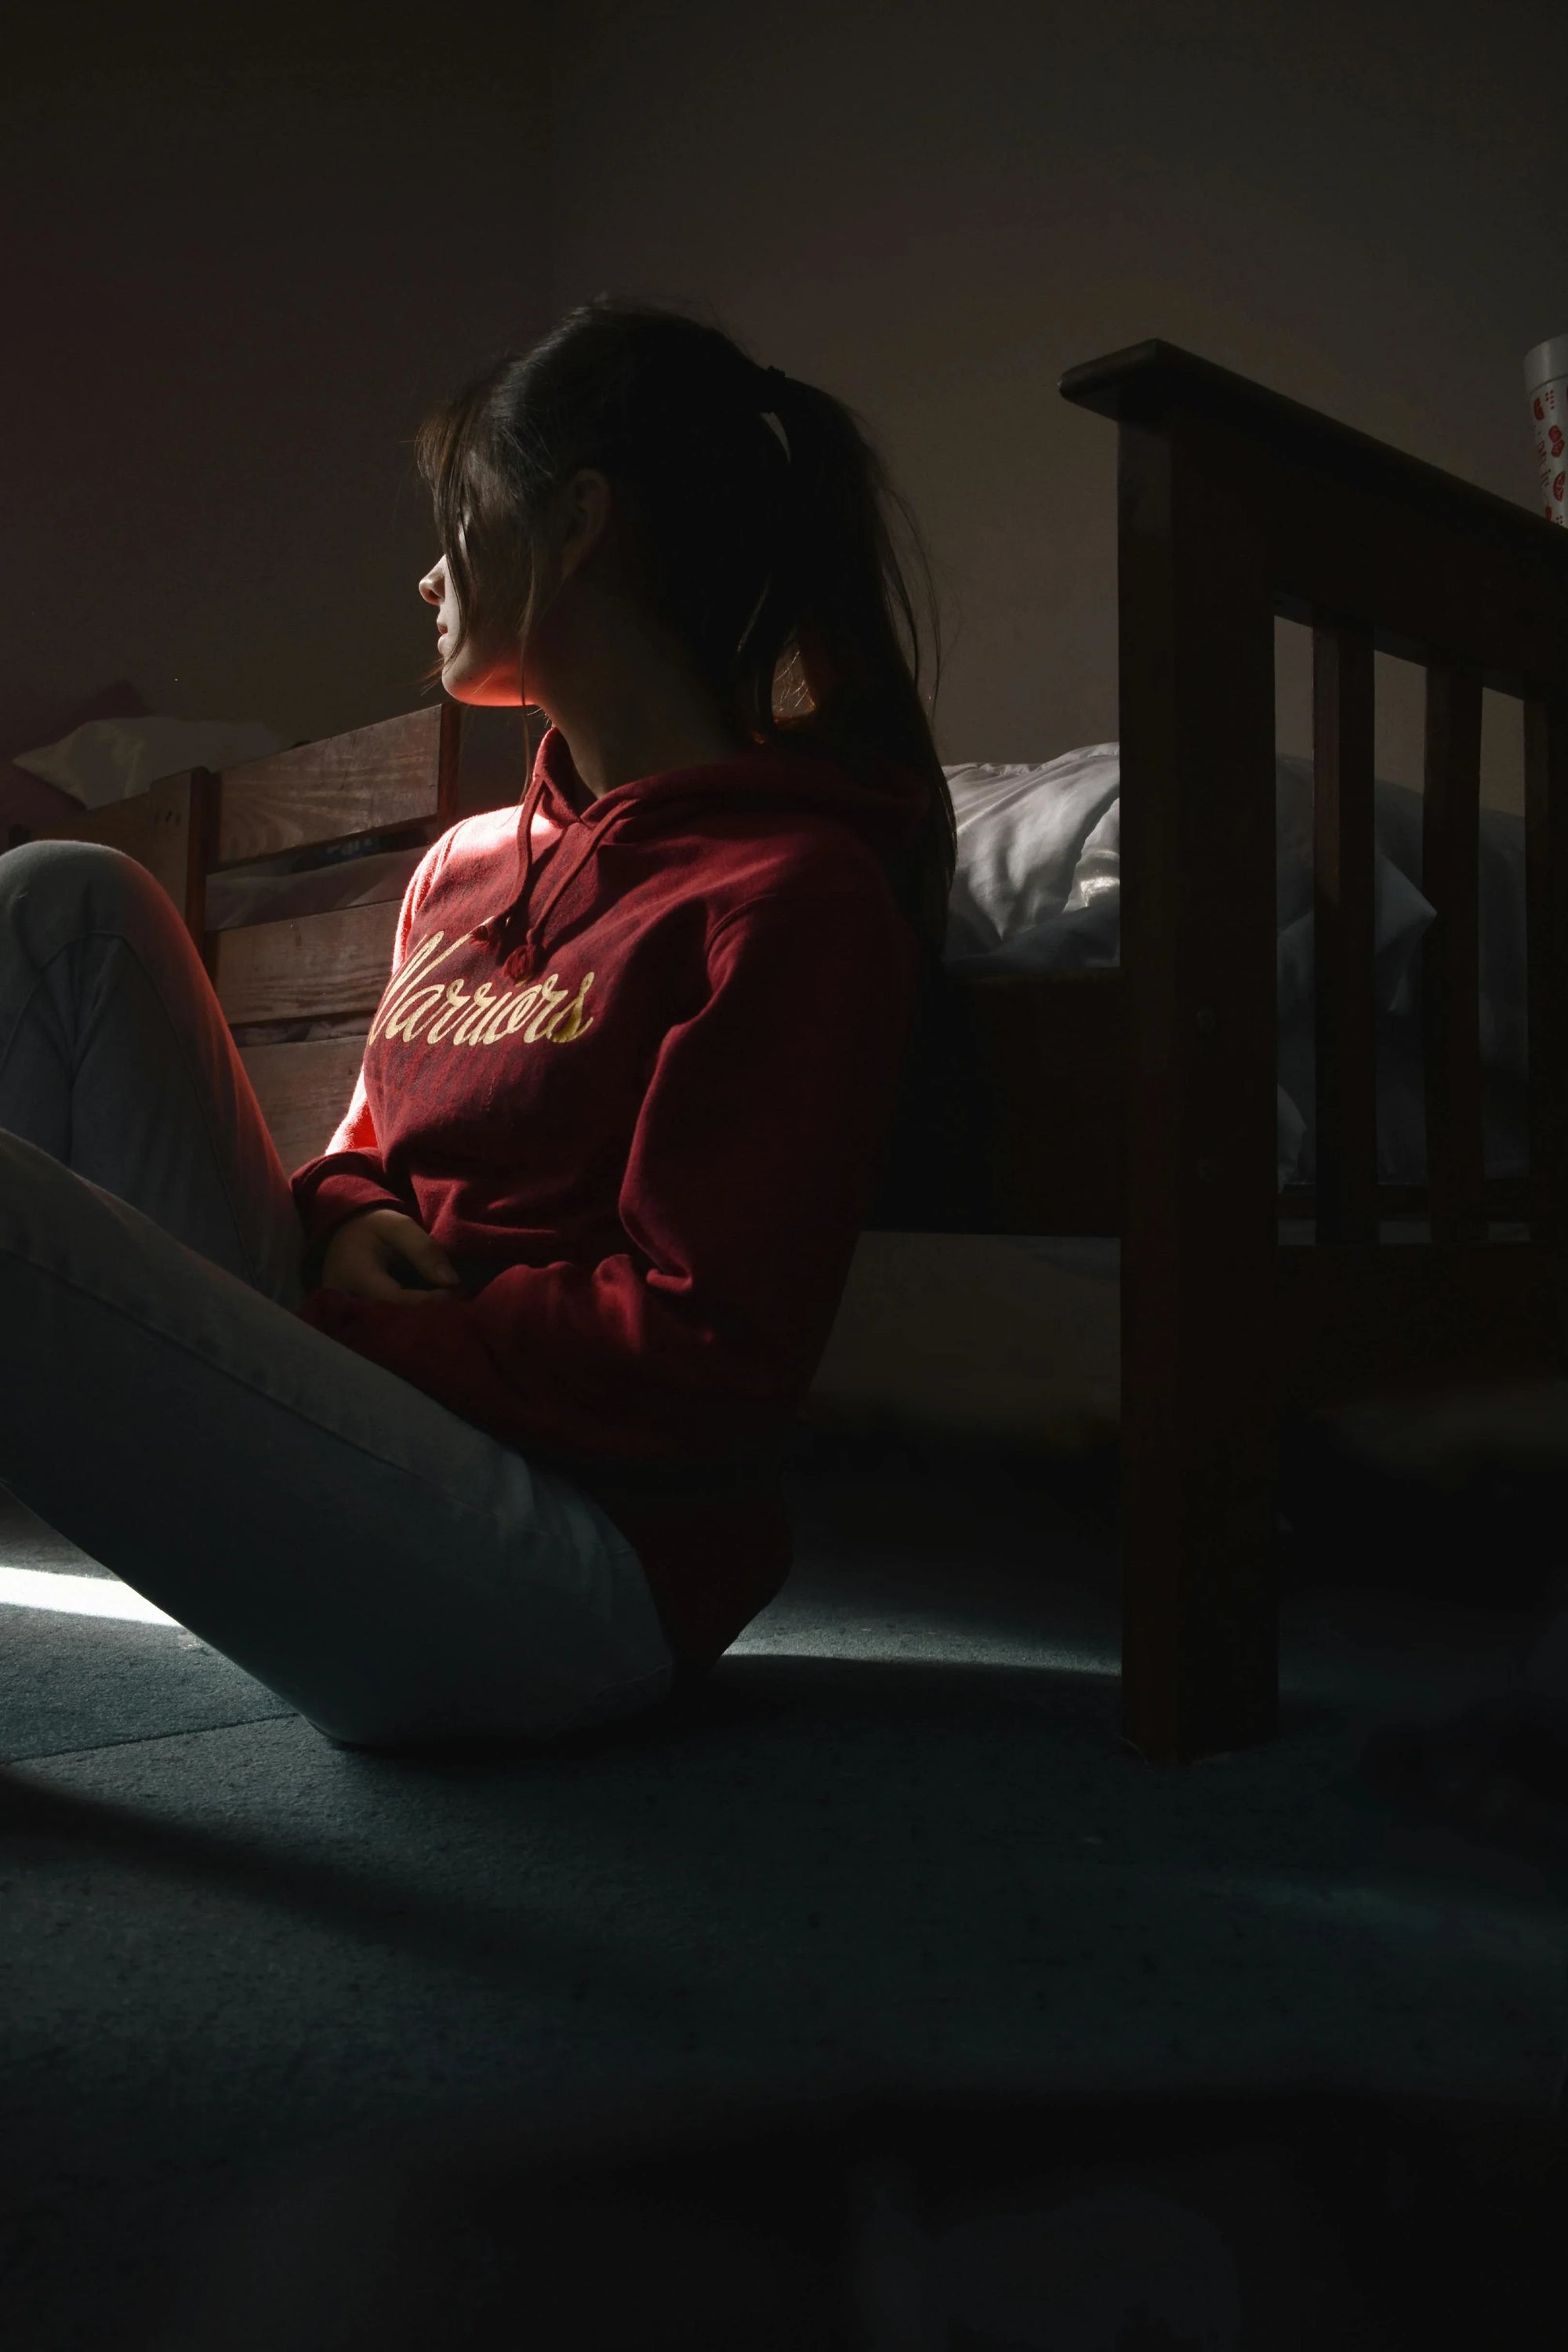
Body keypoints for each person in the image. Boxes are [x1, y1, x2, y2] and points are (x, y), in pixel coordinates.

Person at [0, 296, 959, 1749]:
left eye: (461, 521)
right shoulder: (463, 868)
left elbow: (705, 1357)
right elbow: (360, 1152)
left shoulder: (788, 894)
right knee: (64, 901)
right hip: (373, 1416)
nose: (428, 575)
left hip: (568, 1571)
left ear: (575, 522)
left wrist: (358, 1326)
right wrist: (333, 1218)